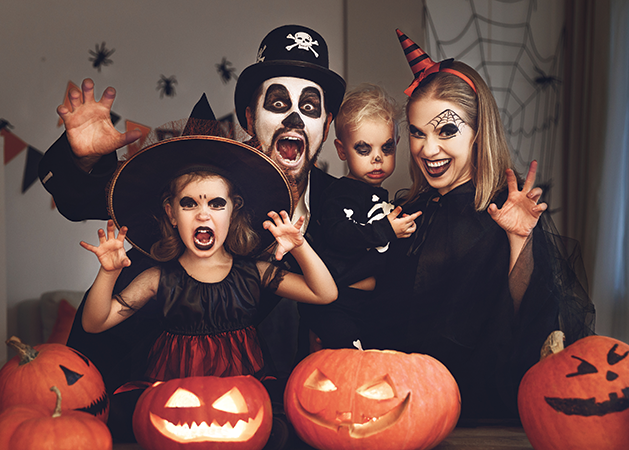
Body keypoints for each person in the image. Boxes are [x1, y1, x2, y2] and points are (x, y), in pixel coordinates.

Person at [38, 24, 345, 379]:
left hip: (274, 386)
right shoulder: (205, 172)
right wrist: (83, 159)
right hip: (140, 372)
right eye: (278, 103)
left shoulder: (341, 204)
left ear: (326, 124)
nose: (294, 118)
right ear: (250, 118)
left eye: (309, 107)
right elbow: (80, 201)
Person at [364, 30, 595, 422]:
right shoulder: (404, 211)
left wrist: (519, 241)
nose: (428, 149)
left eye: (446, 130)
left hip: (475, 414)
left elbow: (531, 328)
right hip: (394, 408)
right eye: (418, 133)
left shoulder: (507, 214)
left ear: (477, 133)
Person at [300, 83, 421, 350]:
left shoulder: (381, 196)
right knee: (347, 365)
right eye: (363, 150)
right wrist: (385, 230)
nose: (377, 158)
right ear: (342, 151)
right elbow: (339, 233)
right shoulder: (340, 193)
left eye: (386, 148)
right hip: (337, 302)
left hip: (367, 305)